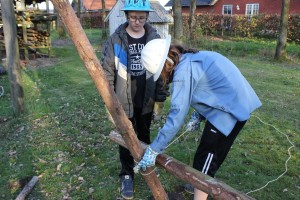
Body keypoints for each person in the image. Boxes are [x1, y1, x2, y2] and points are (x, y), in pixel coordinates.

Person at [134, 35, 262, 200]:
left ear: (167, 64)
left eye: (160, 74)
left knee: (204, 162)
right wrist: (199, 114)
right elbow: (211, 87)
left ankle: (201, 191)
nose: (162, 79)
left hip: (230, 113)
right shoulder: (189, 58)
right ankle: (199, 188)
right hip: (235, 103)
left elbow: (176, 116)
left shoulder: (182, 73)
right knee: (207, 159)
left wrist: (154, 149)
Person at [101, 0, 169, 199]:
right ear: (126, 15)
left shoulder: (155, 39)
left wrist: (160, 99)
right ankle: (127, 175)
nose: (137, 21)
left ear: (147, 17)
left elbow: (161, 72)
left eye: (141, 17)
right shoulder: (116, 40)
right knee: (125, 140)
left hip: (145, 99)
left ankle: (147, 170)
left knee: (145, 137)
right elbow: (106, 72)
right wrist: (109, 103)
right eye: (133, 17)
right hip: (123, 101)